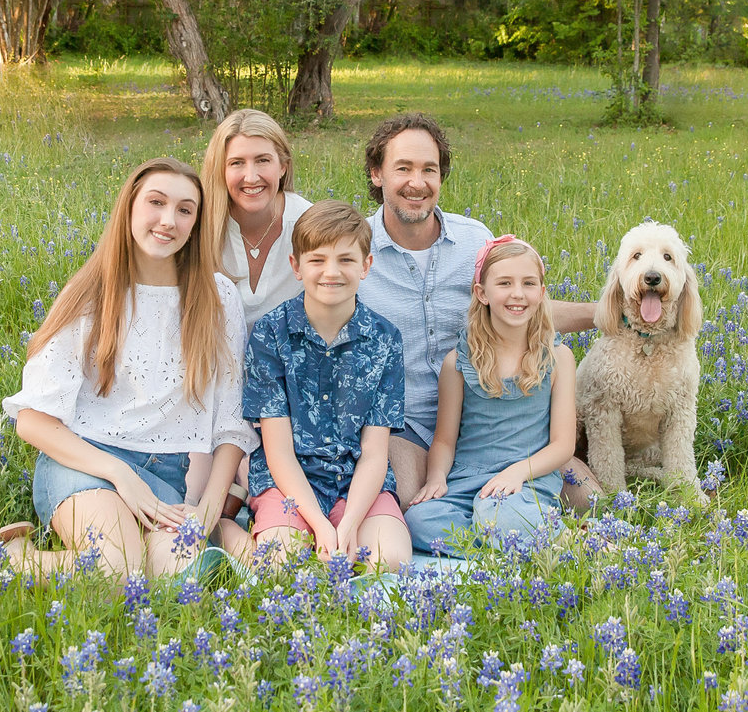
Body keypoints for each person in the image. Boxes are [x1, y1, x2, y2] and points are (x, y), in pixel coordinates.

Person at [0, 157, 258, 578]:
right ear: (130, 208)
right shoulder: (91, 294)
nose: (168, 220)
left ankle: (27, 561)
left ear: (196, 222)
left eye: (184, 210)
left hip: (167, 476)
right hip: (84, 463)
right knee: (116, 572)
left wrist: (205, 515)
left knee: (174, 576)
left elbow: (231, 427)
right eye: (156, 202)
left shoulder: (218, 297)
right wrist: (119, 474)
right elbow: (32, 422)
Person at [355, 113, 602, 510]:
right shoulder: (355, 252)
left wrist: (603, 313)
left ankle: (510, 512)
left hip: (496, 421)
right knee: (404, 500)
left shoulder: (474, 240)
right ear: (376, 173)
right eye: (403, 168)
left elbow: (519, 310)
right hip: (408, 429)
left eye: (429, 169)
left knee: (590, 500)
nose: (417, 183)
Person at [241, 200, 412, 570]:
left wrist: (348, 524)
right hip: (287, 481)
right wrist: (320, 526)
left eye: (346, 260)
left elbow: (374, 452)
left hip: (357, 480)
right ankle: (238, 530)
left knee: (391, 560)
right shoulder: (271, 333)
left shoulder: (385, 339)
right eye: (317, 260)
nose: (331, 272)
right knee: (281, 564)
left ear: (366, 266)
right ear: (296, 266)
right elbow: (279, 452)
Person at [405, 236, 578, 553]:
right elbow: (444, 440)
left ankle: (521, 535)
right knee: (419, 520)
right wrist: (436, 478)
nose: (517, 294)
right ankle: (513, 542)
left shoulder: (558, 358)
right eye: (505, 283)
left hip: (528, 481)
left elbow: (563, 445)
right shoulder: (458, 361)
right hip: (468, 478)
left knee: (497, 516)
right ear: (481, 293)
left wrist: (517, 473)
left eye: (528, 283)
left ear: (541, 293)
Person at [192, 110, 314, 514]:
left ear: (283, 164)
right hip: (213, 383)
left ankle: (244, 485)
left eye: (262, 160)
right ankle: (233, 484)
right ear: (219, 169)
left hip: (289, 386)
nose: (251, 175)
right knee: (190, 495)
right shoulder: (201, 227)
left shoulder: (307, 223)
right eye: (236, 163)